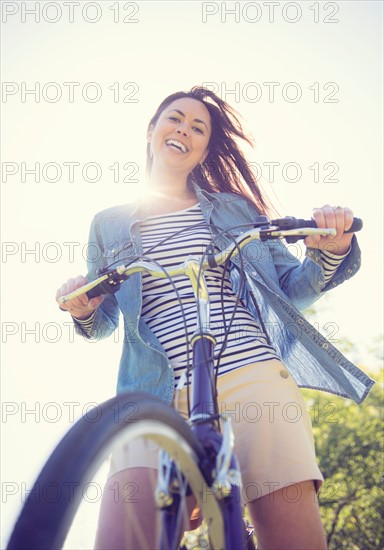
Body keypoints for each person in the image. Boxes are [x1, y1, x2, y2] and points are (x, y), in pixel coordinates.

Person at [56, 86, 374, 549]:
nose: (184, 129)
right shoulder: (108, 224)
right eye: (175, 118)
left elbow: (292, 288)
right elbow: (101, 316)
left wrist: (332, 250)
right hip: (151, 392)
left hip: (252, 376)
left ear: (203, 147)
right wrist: (83, 307)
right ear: (152, 130)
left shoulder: (235, 210)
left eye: (198, 127)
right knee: (121, 537)